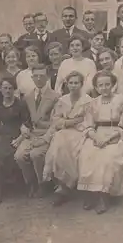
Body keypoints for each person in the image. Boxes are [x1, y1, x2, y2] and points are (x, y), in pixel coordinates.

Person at [78, 71, 123, 214]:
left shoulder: (121, 101)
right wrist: (96, 137)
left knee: (107, 158)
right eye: (100, 85)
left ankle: (104, 196)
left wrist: (109, 138)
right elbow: (88, 125)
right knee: (87, 155)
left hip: (117, 134)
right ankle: (91, 195)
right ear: (96, 88)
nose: (104, 88)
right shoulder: (93, 103)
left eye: (107, 84)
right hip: (97, 134)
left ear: (113, 85)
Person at [43, 71, 93, 206]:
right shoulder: (62, 100)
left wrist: (73, 121)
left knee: (79, 150)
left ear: (81, 84)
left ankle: (77, 186)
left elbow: (88, 121)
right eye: (71, 83)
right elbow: (56, 120)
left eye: (76, 83)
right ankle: (63, 187)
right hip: (64, 131)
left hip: (81, 132)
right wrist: (70, 122)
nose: (73, 86)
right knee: (58, 145)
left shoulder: (87, 100)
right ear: (67, 84)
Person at [0, 77, 32, 205]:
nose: (7, 91)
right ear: (1, 90)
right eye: (5, 88)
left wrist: (20, 139)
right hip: (1, 133)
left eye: (10, 88)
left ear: (14, 89)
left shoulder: (20, 104)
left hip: (14, 134)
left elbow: (27, 124)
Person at [14, 64, 60, 198]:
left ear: (47, 77)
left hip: (48, 134)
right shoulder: (28, 96)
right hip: (32, 133)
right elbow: (26, 118)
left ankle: (43, 184)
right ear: (32, 77)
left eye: (42, 76)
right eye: (36, 76)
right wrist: (23, 126)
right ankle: (31, 183)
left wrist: (45, 138)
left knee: (36, 154)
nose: (39, 78)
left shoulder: (55, 97)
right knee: (19, 156)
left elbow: (56, 122)